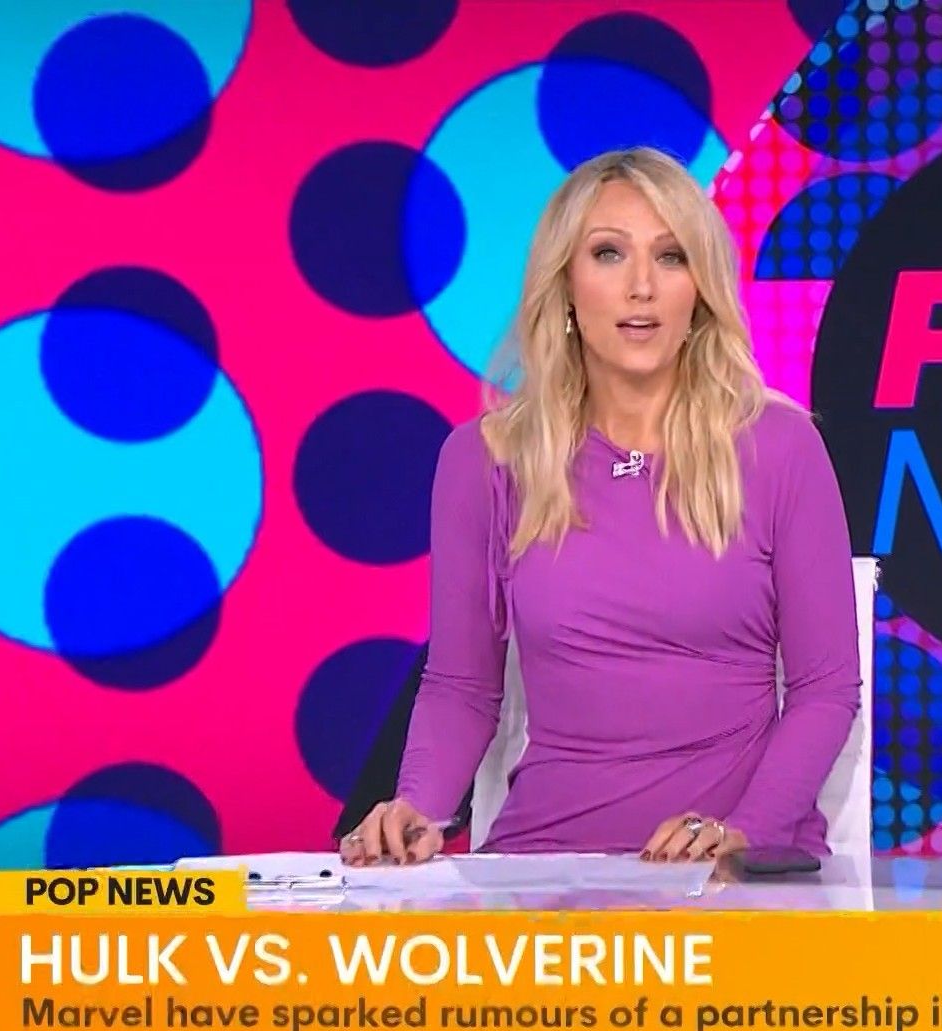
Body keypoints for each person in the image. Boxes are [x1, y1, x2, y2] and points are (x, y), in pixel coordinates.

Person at [339, 147, 861, 867]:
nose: (641, 287)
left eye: (671, 257)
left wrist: (743, 834)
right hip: (546, 865)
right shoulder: (485, 461)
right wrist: (418, 808)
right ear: (565, 285)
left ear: (700, 288)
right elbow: (462, 686)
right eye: (609, 254)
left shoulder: (781, 447)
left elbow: (825, 690)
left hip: (730, 875)